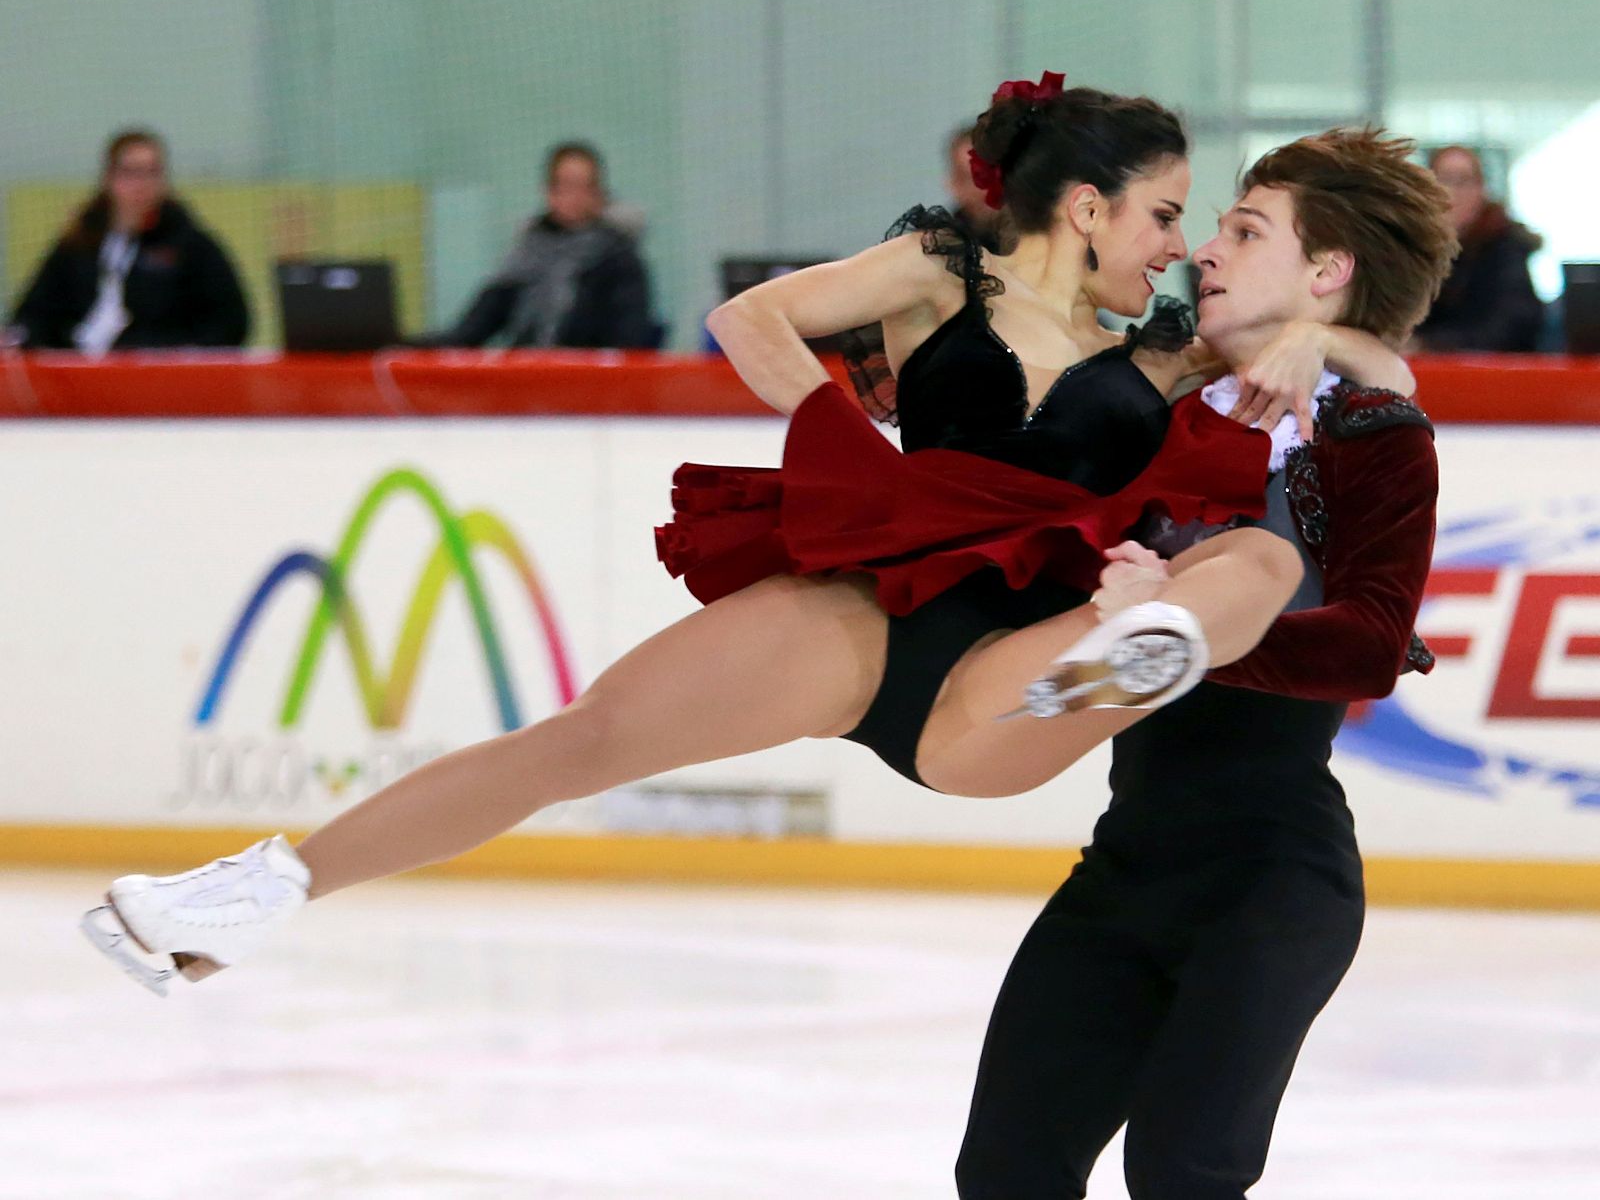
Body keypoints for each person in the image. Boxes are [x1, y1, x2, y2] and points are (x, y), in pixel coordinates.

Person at [81, 78, 1410, 996]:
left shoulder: (1164, 358)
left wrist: (1307, 332)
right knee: (577, 740)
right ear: (1087, 207)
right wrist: (861, 453)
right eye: (1168, 217)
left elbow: (1380, 371)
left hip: (1012, 672)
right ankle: (253, 895)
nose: (1181, 250)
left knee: (1259, 562)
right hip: (862, 616)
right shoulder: (942, 274)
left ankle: (1135, 650)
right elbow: (754, 324)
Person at [954, 128, 1456, 1200]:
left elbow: (1369, 643)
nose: (1204, 251)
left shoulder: (1370, 435)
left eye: (1243, 230)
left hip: (1270, 883)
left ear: (1326, 273)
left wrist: (1176, 640)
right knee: (1004, 1170)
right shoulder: (1158, 403)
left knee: (1182, 1173)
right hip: (1126, 865)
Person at [9, 130, 249, 354]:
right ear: (109, 177)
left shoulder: (190, 246)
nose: (141, 184)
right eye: (131, 172)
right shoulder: (78, 244)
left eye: (152, 172)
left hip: (157, 376)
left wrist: (170, 353)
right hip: (80, 374)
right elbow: (34, 313)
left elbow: (230, 322)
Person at [420, 141, 661, 349]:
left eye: (584, 186)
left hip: (588, 390)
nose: (574, 196)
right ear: (548, 190)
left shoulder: (619, 260)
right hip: (525, 382)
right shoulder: (525, 255)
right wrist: (407, 345)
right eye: (565, 185)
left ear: (598, 194)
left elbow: (628, 339)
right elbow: (474, 328)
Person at [1412, 144, 1542, 352]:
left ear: (1481, 189)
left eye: (1463, 181)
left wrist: (1429, 344)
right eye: (1443, 179)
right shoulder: (1412, 251)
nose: (1452, 192)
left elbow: (1508, 327)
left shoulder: (1506, 247)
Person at [946, 123, 1004, 253]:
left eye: (988, 175)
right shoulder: (939, 247)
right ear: (952, 184)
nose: (981, 189)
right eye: (968, 178)